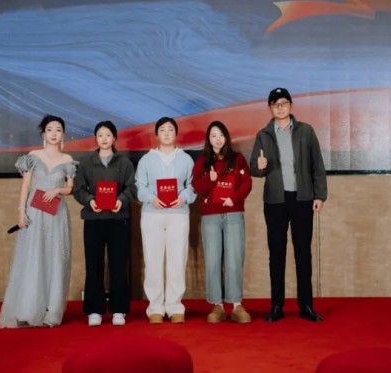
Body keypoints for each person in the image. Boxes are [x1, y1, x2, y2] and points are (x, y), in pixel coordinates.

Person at [249, 88, 327, 323]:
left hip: (302, 199)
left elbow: (317, 165)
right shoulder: (263, 135)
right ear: (270, 108)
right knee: (277, 253)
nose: (280, 107)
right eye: (275, 104)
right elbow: (254, 169)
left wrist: (319, 195)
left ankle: (306, 305)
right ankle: (276, 305)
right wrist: (260, 166)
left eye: (284, 103)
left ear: (291, 105)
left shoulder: (305, 131)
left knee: (303, 253)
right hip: (275, 201)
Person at [0, 115, 76, 328]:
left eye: (58, 130)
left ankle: (51, 313)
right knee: (33, 257)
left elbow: (70, 188)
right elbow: (26, 185)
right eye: (50, 129)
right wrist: (21, 211)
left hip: (57, 213)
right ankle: (27, 310)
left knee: (55, 258)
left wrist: (58, 190)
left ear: (63, 134)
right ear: (44, 134)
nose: (54, 133)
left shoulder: (67, 159)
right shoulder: (33, 156)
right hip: (35, 211)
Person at [73, 121, 136, 327]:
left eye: (108, 135)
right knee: (94, 265)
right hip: (94, 219)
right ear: (95, 138)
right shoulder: (86, 163)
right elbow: (78, 189)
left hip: (118, 219)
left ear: (114, 138)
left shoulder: (124, 162)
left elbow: (131, 187)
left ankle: (119, 309)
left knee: (119, 265)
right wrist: (89, 200)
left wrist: (122, 200)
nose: (104, 139)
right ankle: (94, 309)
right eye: (100, 135)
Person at [135, 117, 197, 324]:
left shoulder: (186, 159)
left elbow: (193, 185)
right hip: (152, 214)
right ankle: (155, 307)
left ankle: (175, 305)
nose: (167, 133)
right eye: (162, 130)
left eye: (170, 129)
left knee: (177, 259)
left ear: (176, 134)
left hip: (178, 214)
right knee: (153, 259)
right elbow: (139, 186)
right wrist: (152, 198)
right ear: (157, 134)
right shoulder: (147, 160)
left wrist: (184, 197)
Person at [191, 121, 253, 323]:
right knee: (213, 260)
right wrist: (210, 179)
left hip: (233, 212)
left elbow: (246, 183)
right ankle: (217, 305)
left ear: (226, 137)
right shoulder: (203, 161)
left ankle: (236, 305)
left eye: (220, 135)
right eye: (213, 136)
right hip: (210, 215)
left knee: (235, 258)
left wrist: (233, 198)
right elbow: (197, 186)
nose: (217, 139)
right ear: (208, 140)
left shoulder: (238, 159)